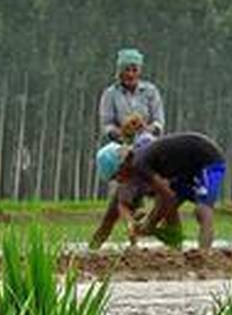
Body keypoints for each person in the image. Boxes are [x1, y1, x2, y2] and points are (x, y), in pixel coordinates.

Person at [89, 132, 225, 250]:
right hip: (187, 169)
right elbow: (108, 221)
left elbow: (168, 197)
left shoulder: (140, 165)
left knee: (201, 210)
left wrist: (150, 223)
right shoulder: (134, 170)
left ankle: (203, 256)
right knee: (166, 207)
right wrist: (91, 250)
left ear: (122, 166)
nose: (119, 182)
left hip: (208, 160)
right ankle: (177, 247)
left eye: (116, 177)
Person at [98, 47, 165, 143]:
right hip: (119, 142)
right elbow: (106, 124)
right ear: (120, 72)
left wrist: (147, 129)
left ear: (139, 72)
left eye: (134, 70)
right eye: (127, 70)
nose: (130, 74)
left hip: (148, 140)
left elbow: (158, 121)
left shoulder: (151, 91)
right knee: (104, 155)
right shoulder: (110, 94)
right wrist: (121, 133)